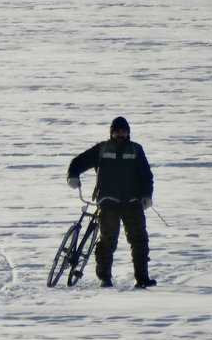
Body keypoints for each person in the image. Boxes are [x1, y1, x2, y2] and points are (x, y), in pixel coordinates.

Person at [66, 117, 156, 288]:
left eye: (123, 131)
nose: (120, 134)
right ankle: (104, 278)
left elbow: (146, 176)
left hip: (132, 202)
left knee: (139, 241)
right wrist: (72, 176)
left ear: (128, 132)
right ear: (111, 132)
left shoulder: (136, 149)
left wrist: (146, 195)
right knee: (108, 241)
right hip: (108, 203)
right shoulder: (102, 149)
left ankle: (142, 278)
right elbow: (78, 162)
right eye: (117, 131)